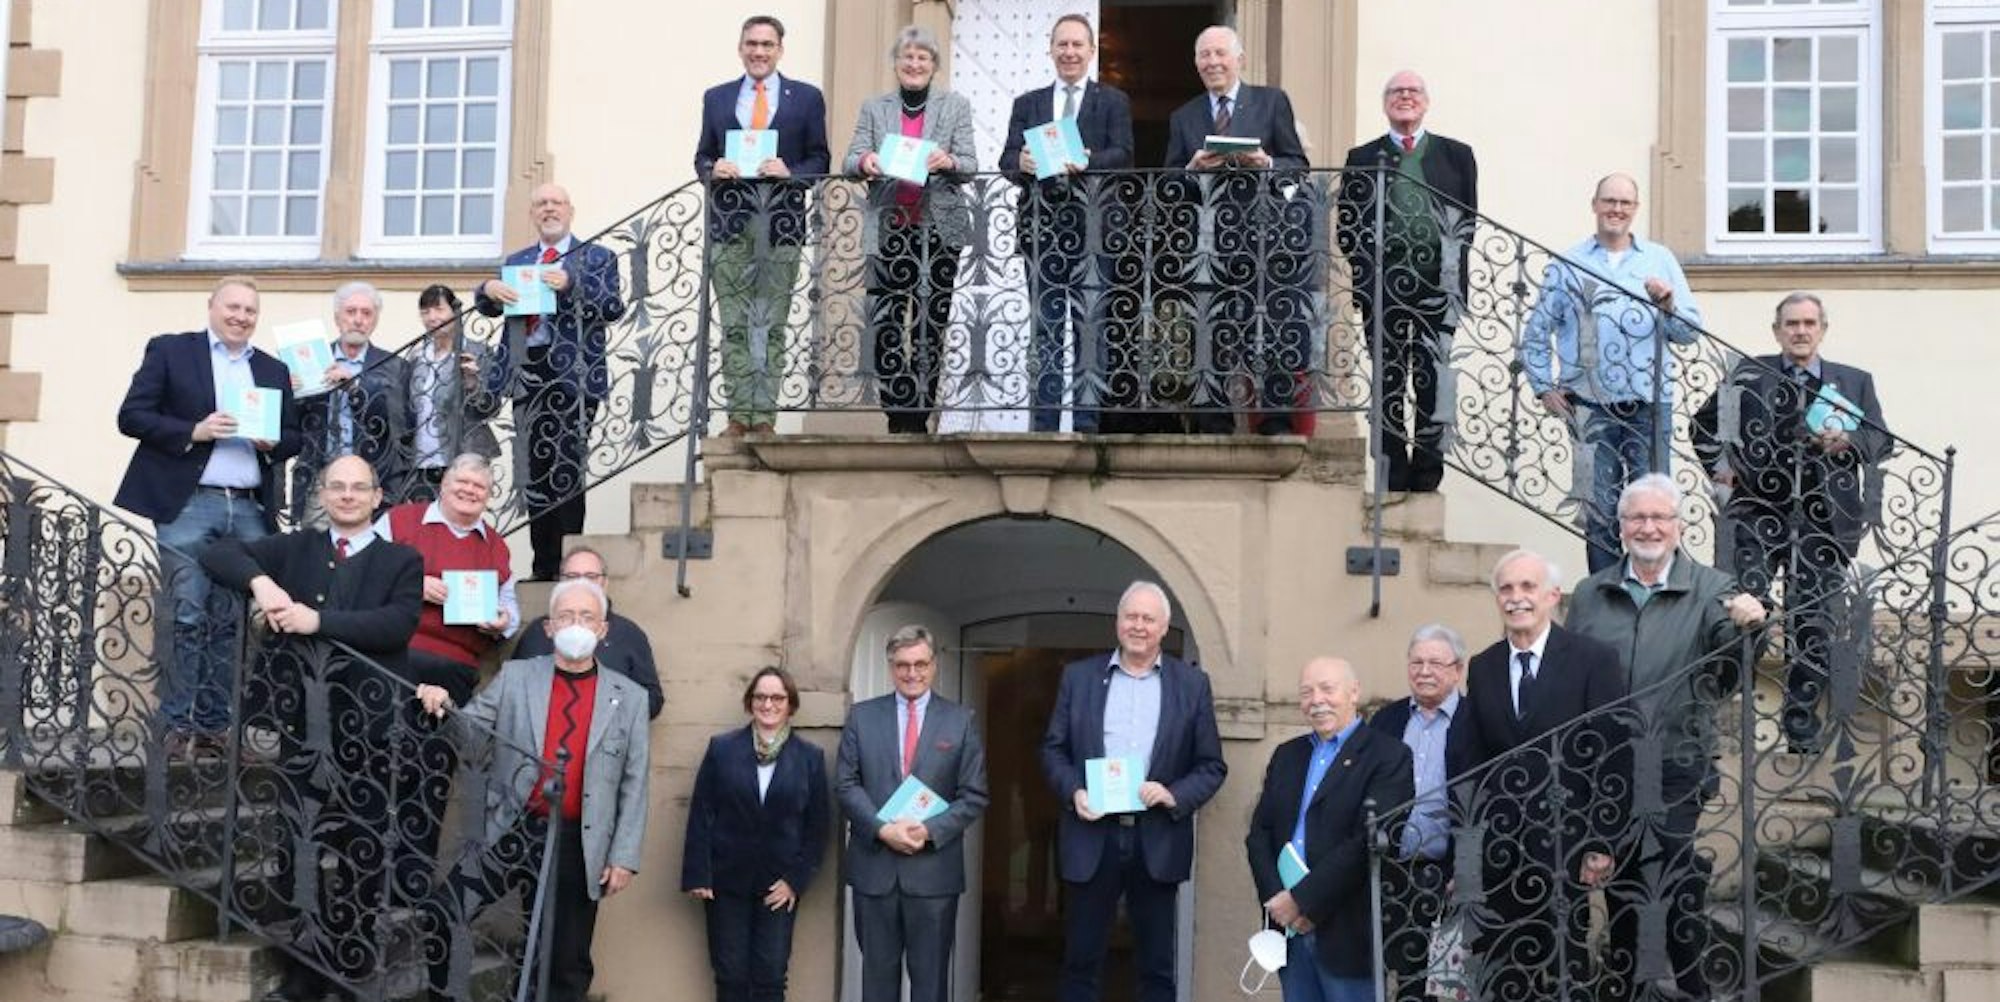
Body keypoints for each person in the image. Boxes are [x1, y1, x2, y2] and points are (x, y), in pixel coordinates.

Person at [199, 454, 424, 1002]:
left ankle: (351, 967)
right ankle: (305, 971)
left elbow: (396, 625)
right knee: (297, 848)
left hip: (369, 728)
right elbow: (216, 551)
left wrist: (317, 620)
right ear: (322, 494)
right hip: (302, 725)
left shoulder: (402, 559)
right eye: (337, 486)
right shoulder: (295, 547)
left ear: (377, 497)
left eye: (358, 487)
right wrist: (261, 583)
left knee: (361, 851)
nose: (347, 495)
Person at [1565, 473, 1767, 1002]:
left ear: (1678, 526)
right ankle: (1632, 985)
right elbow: (1571, 674)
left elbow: (1732, 663)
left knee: (1666, 870)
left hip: (1676, 759)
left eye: (1659, 517)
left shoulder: (1713, 589)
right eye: (1637, 517)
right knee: (1626, 884)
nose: (1648, 527)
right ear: (1621, 526)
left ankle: (1691, 987)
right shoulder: (1590, 593)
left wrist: (1752, 627)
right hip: (1606, 766)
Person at [415, 579, 651, 1002]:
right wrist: (443, 705)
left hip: (579, 840)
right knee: (443, 914)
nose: (575, 624)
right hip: (510, 825)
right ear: (549, 627)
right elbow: (471, 736)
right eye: (565, 616)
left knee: (563, 961)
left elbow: (635, 781)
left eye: (586, 617)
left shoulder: (630, 697)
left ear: (602, 629)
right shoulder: (516, 676)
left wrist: (624, 855)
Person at [114, 274, 301, 758]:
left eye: (250, 310)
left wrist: (273, 442)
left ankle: (216, 728)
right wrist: (193, 430)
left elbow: (294, 436)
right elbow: (131, 416)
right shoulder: (172, 351)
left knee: (231, 620)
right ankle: (177, 726)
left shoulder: (273, 369)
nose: (241, 317)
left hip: (248, 507)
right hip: (189, 502)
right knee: (187, 611)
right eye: (233, 307)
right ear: (212, 307)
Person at [1696, 292, 1886, 755]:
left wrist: (1848, 441)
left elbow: (1881, 439)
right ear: (1777, 331)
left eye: (1808, 323)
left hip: (1824, 522)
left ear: (1823, 329)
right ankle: (1722, 719)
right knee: (1744, 615)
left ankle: (1801, 730)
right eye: (1791, 324)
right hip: (1757, 513)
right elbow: (1704, 425)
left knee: (1813, 626)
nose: (1800, 331)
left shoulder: (1854, 381)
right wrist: (1721, 469)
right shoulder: (1749, 372)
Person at [1040, 581, 1228, 1002]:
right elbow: (1053, 750)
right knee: (1080, 963)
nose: (1138, 626)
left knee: (1156, 968)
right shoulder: (1079, 678)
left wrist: (1173, 794)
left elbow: (1211, 766)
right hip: (1092, 836)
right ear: (1118, 622)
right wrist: (1074, 793)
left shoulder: (1191, 685)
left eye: (1148, 619)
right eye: (1131, 617)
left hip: (1156, 838)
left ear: (1163, 628)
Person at [1459, 549, 1627, 1002]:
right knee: (1498, 974)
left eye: (1528, 587)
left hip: (1565, 845)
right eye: (1506, 589)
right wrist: (1469, 846)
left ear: (1552, 596)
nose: (1516, 598)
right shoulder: (1483, 665)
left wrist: (1601, 842)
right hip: (1498, 851)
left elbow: (1612, 754)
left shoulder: (1593, 659)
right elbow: (1472, 761)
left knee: (1562, 973)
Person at [1521, 173, 1703, 573]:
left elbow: (1689, 333)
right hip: (1588, 405)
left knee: (1652, 507)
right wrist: (1543, 387)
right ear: (1595, 205)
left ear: (1635, 209)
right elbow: (1535, 333)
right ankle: (1606, 592)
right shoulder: (1568, 263)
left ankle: (1655, 591)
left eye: (1625, 203)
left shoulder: (1659, 259)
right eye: (1609, 201)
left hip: (1648, 403)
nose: (1616, 209)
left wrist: (1668, 305)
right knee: (1599, 508)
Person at [1161, 25, 1311, 436]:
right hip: (1208, 242)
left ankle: (1276, 420)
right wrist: (1192, 169)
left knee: (1274, 326)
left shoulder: (1271, 100)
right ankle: (1214, 421)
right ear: (1196, 64)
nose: (1212, 62)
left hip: (1266, 237)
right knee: (1211, 330)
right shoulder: (1183, 116)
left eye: (1220, 53)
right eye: (1204, 55)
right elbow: (1169, 184)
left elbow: (1297, 165)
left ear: (1239, 59)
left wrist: (1265, 162)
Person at [474, 183, 628, 580]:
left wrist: (571, 284)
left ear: (570, 211)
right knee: (535, 470)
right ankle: (543, 567)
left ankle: (569, 565)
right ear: (532, 214)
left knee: (567, 468)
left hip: (574, 374)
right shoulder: (519, 260)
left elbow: (612, 307)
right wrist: (487, 289)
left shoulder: (596, 256)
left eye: (556, 203)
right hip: (526, 370)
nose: (549, 209)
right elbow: (489, 306)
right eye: (541, 204)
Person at [1337, 71, 1478, 493]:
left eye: (1413, 91)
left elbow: (1468, 221)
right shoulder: (1362, 157)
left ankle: (1427, 473)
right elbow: (1347, 227)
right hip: (1384, 288)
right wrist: (1369, 270)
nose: (1405, 97)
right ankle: (1392, 474)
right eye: (1397, 91)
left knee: (1434, 382)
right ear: (1385, 103)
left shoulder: (1457, 155)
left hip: (1439, 288)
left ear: (1426, 101)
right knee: (1389, 381)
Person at [834, 626, 989, 1002]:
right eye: (903, 665)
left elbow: (974, 795)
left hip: (934, 874)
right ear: (891, 667)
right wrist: (882, 829)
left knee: (930, 985)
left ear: (934, 665)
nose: (912, 673)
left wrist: (929, 830)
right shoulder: (862, 717)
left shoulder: (960, 720)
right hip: (875, 871)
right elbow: (845, 784)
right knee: (877, 984)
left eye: (920, 664)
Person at [1246, 656, 1414, 1002]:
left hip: (1347, 932)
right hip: (1288, 930)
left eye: (1327, 689)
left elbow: (1365, 842)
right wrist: (1278, 901)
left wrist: (1303, 901)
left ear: (1354, 693)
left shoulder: (1389, 755)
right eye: (1306, 692)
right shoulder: (1287, 755)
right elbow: (1259, 834)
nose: (1316, 700)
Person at [998, 13, 1134, 434]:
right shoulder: (1029, 103)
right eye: (1062, 44)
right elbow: (1007, 159)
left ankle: (1086, 426)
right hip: (1042, 231)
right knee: (1046, 331)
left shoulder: (1113, 101)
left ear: (1091, 51)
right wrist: (1020, 163)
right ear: (1051, 50)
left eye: (1077, 45)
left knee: (1091, 331)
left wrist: (1090, 161)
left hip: (1094, 231)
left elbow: (1124, 155)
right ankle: (1044, 426)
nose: (1069, 52)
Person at [695, 14, 830, 436]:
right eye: (752, 44)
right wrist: (713, 169)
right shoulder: (716, 97)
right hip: (730, 226)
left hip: (781, 226)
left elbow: (820, 160)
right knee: (735, 324)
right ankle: (739, 416)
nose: (759, 52)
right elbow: (701, 157)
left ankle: (764, 418)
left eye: (767, 45)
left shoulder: (806, 98)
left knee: (771, 324)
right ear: (741, 49)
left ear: (779, 50)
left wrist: (791, 172)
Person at [842, 25, 978, 434]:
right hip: (888, 228)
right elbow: (851, 159)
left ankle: (917, 416)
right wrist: (864, 161)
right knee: (883, 323)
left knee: (928, 326)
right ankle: (898, 410)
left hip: (939, 230)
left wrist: (948, 161)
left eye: (923, 57)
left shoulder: (955, 105)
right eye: (908, 57)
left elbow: (970, 164)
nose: (914, 64)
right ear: (896, 63)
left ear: (934, 65)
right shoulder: (874, 107)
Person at [683, 666, 829, 1002]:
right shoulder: (722, 749)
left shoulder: (809, 758)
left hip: (779, 885)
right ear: (750, 702)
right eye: (760, 697)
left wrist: (795, 880)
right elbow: (702, 813)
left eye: (777, 698)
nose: (768, 704)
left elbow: (818, 827)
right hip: (726, 881)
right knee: (730, 975)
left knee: (771, 976)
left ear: (790, 704)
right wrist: (699, 874)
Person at [1366, 625, 1474, 1002]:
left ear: (1457, 670)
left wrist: (1467, 867)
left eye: (1435, 663)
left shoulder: (1476, 722)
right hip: (1387, 869)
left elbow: (1489, 798)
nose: (1424, 671)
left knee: (1432, 984)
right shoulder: (1386, 719)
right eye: (1417, 662)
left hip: (1444, 874)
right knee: (1379, 970)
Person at [291, 281, 409, 524]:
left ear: (375, 320)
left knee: (369, 545)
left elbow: (399, 424)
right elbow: (294, 421)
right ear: (337, 317)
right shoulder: (312, 359)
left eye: (366, 313)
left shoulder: (394, 366)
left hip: (371, 478)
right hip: (320, 477)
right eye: (351, 312)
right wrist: (292, 391)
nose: (358, 320)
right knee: (317, 544)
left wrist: (355, 389)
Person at [513, 545, 663, 719]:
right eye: (572, 576)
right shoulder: (537, 631)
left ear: (605, 583)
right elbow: (512, 691)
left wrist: (608, 712)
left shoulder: (629, 634)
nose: (581, 583)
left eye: (591, 577)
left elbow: (652, 700)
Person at [400, 284, 499, 504]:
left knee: (460, 515)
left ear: (455, 312)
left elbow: (491, 409)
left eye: (439, 309)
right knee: (424, 519)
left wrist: (473, 383)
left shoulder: (478, 352)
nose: (432, 317)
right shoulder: (416, 357)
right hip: (422, 459)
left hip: (464, 456)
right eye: (425, 312)